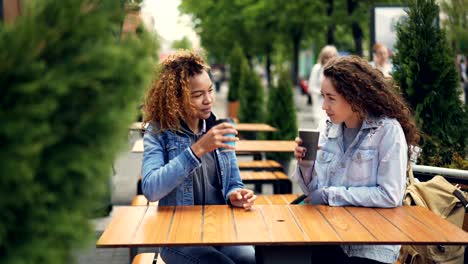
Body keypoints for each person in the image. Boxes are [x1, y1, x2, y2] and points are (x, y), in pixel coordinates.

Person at [293, 56, 420, 264]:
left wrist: (330, 195)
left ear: (354, 97)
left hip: (371, 245)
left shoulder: (387, 131)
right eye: (323, 97)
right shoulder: (326, 128)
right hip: (330, 237)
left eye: (331, 98)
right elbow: (312, 193)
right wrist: (305, 165)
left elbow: (390, 195)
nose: (324, 106)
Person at [141, 50, 256, 264]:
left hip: (221, 231)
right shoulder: (158, 132)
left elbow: (233, 183)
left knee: (250, 259)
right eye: (197, 95)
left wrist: (236, 194)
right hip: (178, 238)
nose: (208, 100)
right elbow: (150, 189)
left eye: (210, 91)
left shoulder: (222, 128)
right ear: (175, 99)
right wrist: (197, 150)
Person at [308, 45, 339, 125]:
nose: (330, 59)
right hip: (320, 104)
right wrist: (323, 93)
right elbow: (311, 87)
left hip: (335, 105)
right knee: (322, 125)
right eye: (327, 57)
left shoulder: (339, 70)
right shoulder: (317, 69)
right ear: (323, 58)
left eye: (332, 57)